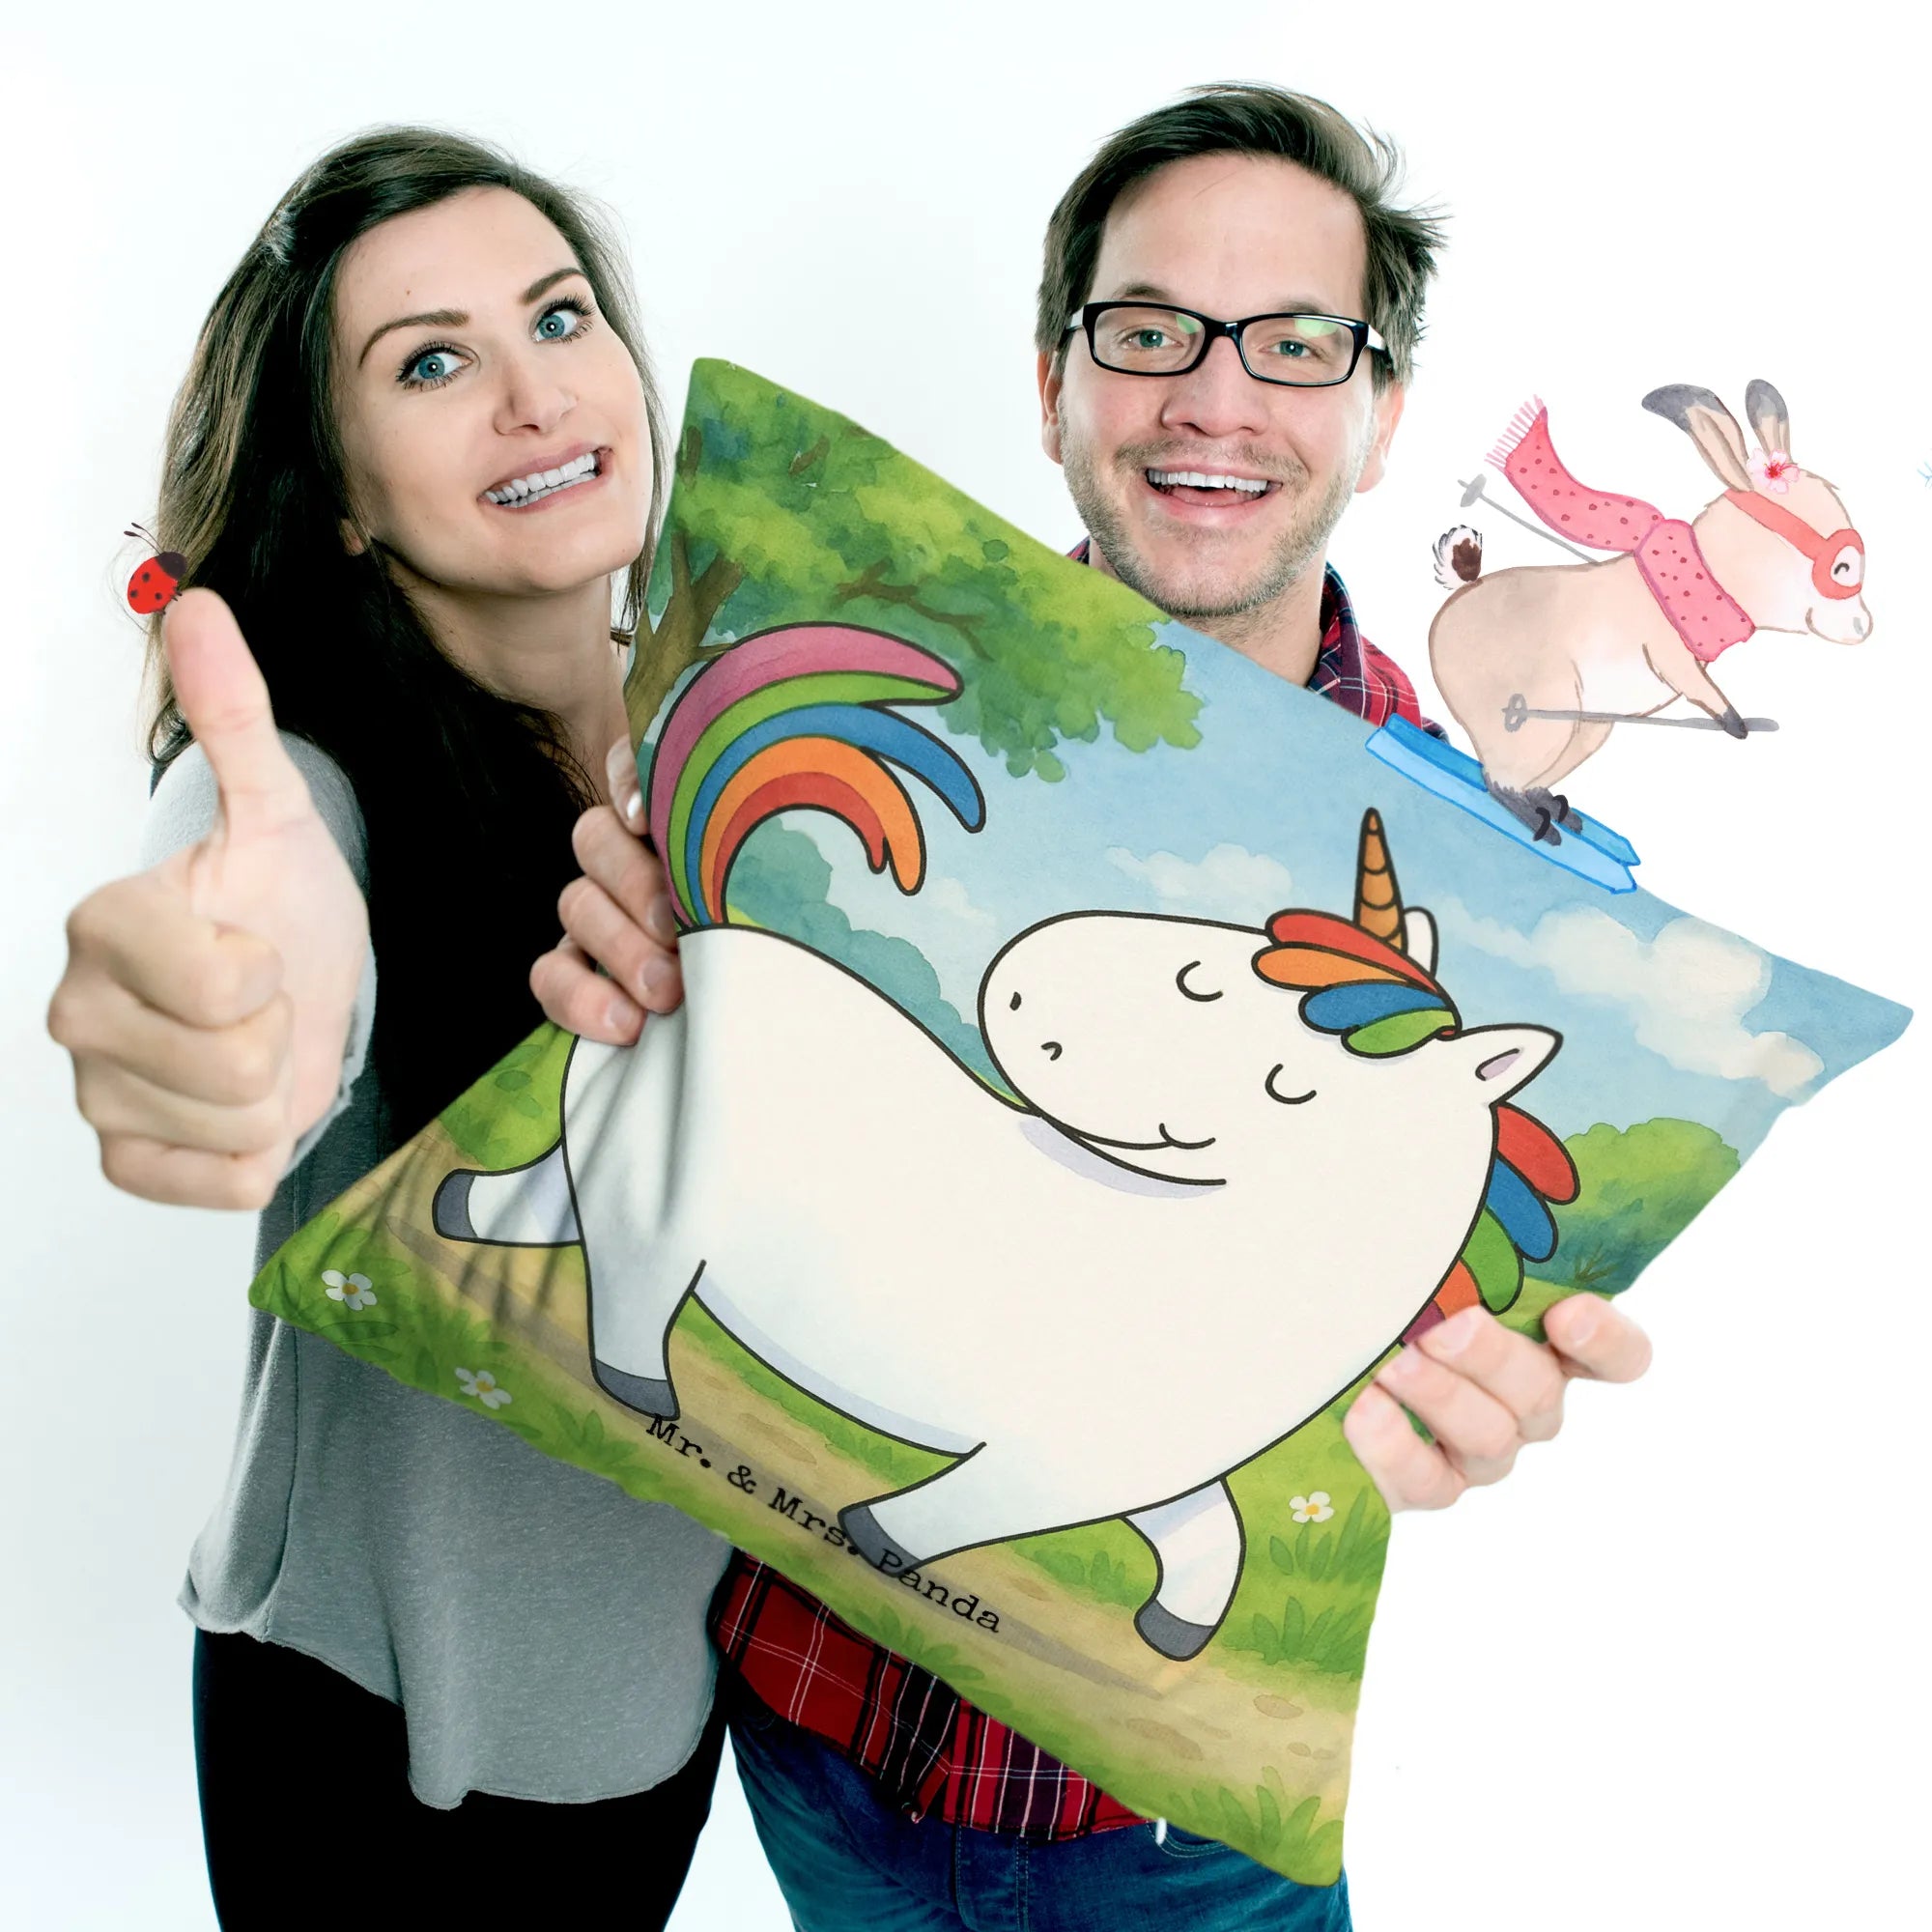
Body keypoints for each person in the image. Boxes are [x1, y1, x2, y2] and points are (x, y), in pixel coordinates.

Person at [534, 84, 1656, 1929]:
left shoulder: (1493, 906)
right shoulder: (842, 692)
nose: (1216, 398)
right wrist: (621, 979)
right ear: (1054, 383)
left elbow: (1351, 1350)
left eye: (1297, 343)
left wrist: (1479, 1390)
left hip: (1178, 1837)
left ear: (1380, 418)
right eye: (1150, 332)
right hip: (805, 1740)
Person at [44, 130, 733, 1927]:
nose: (532, 395)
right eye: (431, 363)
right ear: (343, 496)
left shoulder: (735, 747)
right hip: (380, 1739)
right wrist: (221, 1004)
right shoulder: (309, 782)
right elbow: (255, 905)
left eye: (559, 318)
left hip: (661, 1706)